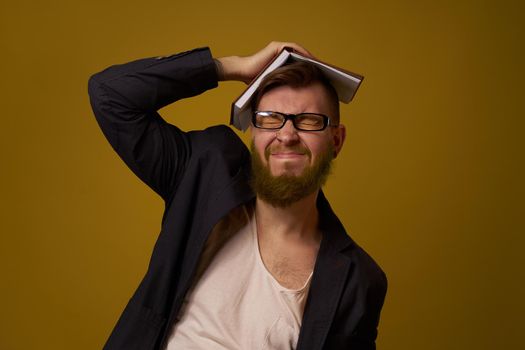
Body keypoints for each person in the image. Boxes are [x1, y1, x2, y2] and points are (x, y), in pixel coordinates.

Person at [88, 41, 387, 350]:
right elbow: (109, 94)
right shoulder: (204, 171)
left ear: (336, 141)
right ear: (253, 132)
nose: (286, 134)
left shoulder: (358, 282)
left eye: (309, 120)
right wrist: (230, 67)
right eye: (270, 118)